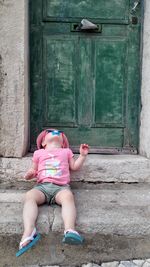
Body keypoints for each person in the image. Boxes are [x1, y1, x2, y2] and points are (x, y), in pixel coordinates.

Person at [16, 129, 89, 257]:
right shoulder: (38, 153)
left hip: (61, 188)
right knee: (30, 196)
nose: (55, 132)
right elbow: (33, 169)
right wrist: (29, 175)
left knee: (68, 197)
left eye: (59, 132)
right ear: (43, 142)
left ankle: (69, 230)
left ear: (63, 143)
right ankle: (29, 230)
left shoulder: (66, 151)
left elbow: (74, 167)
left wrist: (82, 156)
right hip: (42, 187)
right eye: (51, 131)